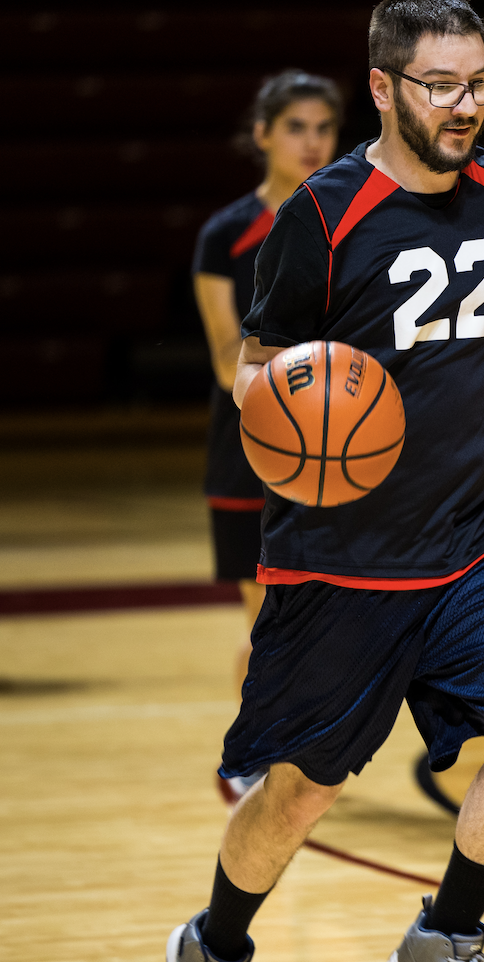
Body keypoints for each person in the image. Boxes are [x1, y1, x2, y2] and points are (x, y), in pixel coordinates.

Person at [166, 0, 484, 962]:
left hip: (481, 538)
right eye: (439, 86)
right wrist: (313, 395)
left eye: (478, 82)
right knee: (303, 788)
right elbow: (250, 372)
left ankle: (446, 933)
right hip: (344, 558)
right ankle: (215, 938)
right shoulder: (324, 214)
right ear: (383, 87)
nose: (464, 104)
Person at [192, 70, 341, 762]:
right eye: (295, 128)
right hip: (251, 447)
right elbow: (229, 361)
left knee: (325, 621)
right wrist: (303, 385)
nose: (311, 143)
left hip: (340, 440)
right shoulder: (226, 234)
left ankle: (295, 747)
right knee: (267, 624)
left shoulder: (352, 219)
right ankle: (264, 755)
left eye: (323, 129)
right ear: (262, 135)